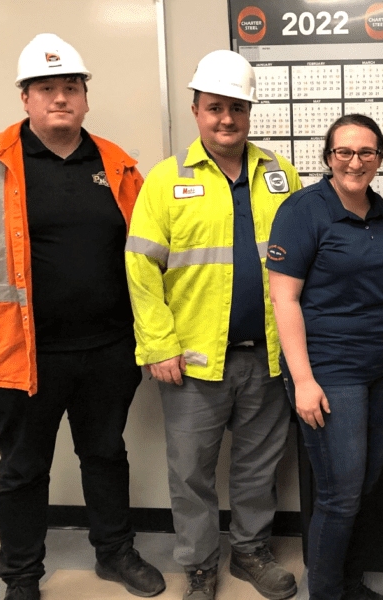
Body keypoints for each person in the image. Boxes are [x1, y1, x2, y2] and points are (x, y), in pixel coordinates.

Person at [0, 33, 165, 600]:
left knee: (105, 453)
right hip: (22, 353)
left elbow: (149, 248)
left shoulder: (118, 165)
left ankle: (114, 552)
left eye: (71, 88)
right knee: (24, 468)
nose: (60, 98)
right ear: (25, 98)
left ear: (85, 98)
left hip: (108, 348)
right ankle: (22, 576)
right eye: (46, 88)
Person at [124, 50, 301, 600]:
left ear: (249, 112)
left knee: (257, 468)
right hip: (195, 360)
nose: (227, 119)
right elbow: (140, 267)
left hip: (266, 356)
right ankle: (199, 564)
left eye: (237, 108)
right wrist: (158, 345)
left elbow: (302, 260)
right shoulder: (166, 179)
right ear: (197, 110)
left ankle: (249, 551)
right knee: (191, 474)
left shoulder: (280, 173)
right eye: (215, 108)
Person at [267, 114, 383, 600]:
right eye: (343, 152)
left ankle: (350, 584)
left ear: (380, 160)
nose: (355, 161)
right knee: (339, 496)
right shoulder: (305, 209)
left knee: (364, 489)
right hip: (330, 370)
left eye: (366, 152)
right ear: (327, 157)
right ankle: (326, 593)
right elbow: (284, 300)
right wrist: (303, 381)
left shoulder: (382, 210)